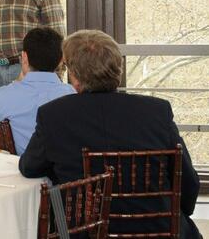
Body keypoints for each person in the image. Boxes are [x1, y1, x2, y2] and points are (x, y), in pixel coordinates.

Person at [19, 30, 201, 238]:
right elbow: (189, 184)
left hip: (84, 232)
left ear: (75, 76)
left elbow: (29, 167)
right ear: (118, 69)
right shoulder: (157, 111)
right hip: (159, 229)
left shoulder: (53, 115)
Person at [0, 27, 75, 155]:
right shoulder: (72, 94)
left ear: (24, 57)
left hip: (18, 171)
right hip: (65, 172)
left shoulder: (2, 97)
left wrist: (17, 82)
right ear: (60, 61)